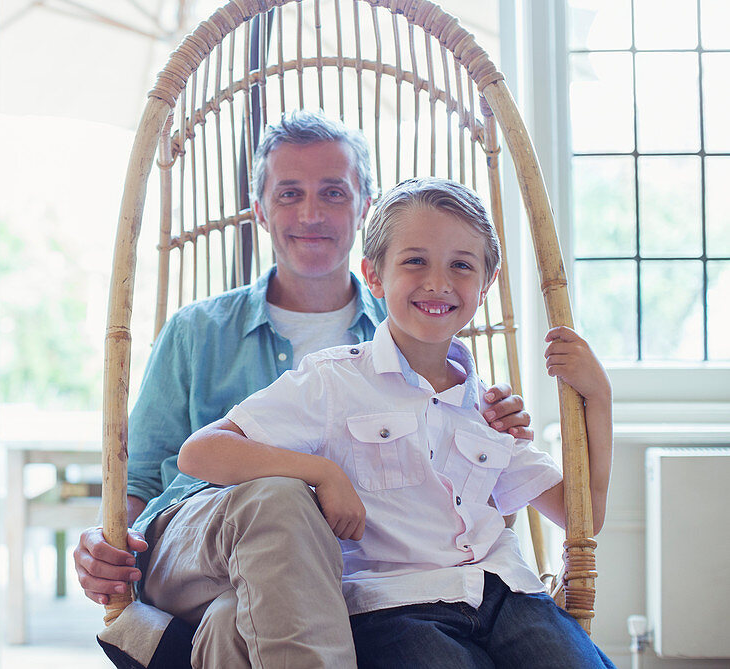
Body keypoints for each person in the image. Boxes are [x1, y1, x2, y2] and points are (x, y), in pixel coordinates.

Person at [78, 111, 532, 667]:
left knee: (232, 625)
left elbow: (468, 498)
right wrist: (102, 539)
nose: (311, 214)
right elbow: (142, 477)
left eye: (334, 193)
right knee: (281, 496)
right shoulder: (197, 331)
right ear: (260, 211)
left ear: (365, 207)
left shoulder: (419, 332)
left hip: (338, 575)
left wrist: (498, 432)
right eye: (289, 194)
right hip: (192, 548)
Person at [178, 178, 615, 668]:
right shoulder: (333, 381)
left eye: (462, 266)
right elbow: (201, 451)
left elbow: (583, 518)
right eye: (415, 261)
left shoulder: (490, 407)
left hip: (509, 595)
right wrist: (323, 473)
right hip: (393, 607)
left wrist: (598, 399)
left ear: (486, 285)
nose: (438, 282)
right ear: (375, 276)